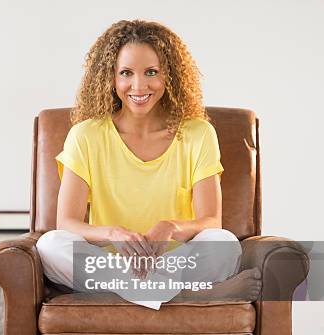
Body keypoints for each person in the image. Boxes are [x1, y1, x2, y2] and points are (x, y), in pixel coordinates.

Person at [35, 19, 262, 310]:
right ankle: (186, 296)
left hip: (174, 261)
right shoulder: (85, 135)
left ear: (170, 76)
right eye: (126, 73)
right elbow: (66, 223)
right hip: (111, 263)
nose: (138, 86)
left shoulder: (198, 133)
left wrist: (170, 228)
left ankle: (135, 293)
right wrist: (113, 234)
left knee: (224, 243)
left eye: (151, 72)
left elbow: (210, 221)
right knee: (50, 245)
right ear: (111, 78)